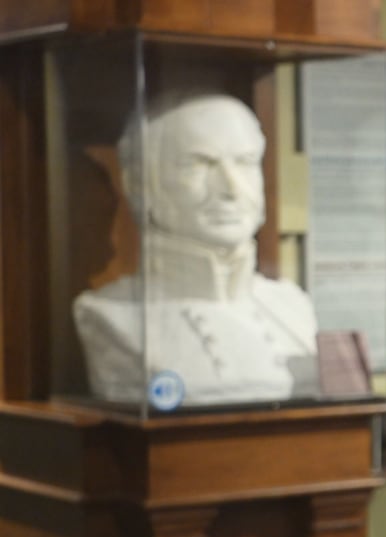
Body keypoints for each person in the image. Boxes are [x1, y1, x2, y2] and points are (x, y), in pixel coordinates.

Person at [73, 91, 320, 407]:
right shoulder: (110, 316)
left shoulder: (292, 305)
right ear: (139, 185)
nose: (231, 189)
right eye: (198, 164)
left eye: (245, 163)